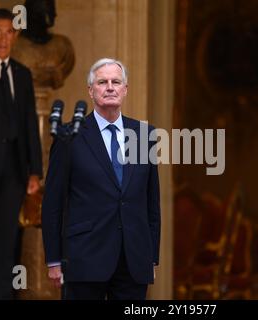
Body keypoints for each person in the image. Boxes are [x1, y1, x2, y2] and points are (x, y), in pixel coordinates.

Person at [42, 58, 161, 300]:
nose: (110, 87)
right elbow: (52, 202)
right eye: (102, 82)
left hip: (133, 260)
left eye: (116, 82)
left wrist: (151, 257)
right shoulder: (70, 136)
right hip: (84, 258)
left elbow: (151, 202)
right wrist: (54, 259)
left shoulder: (144, 135)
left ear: (125, 89)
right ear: (91, 90)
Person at [0, 8, 43, 299]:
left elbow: (30, 123)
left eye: (9, 32)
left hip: (14, 171)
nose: (3, 38)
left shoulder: (22, 74)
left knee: (9, 240)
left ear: (15, 35)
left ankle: (3, 296)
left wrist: (35, 171)